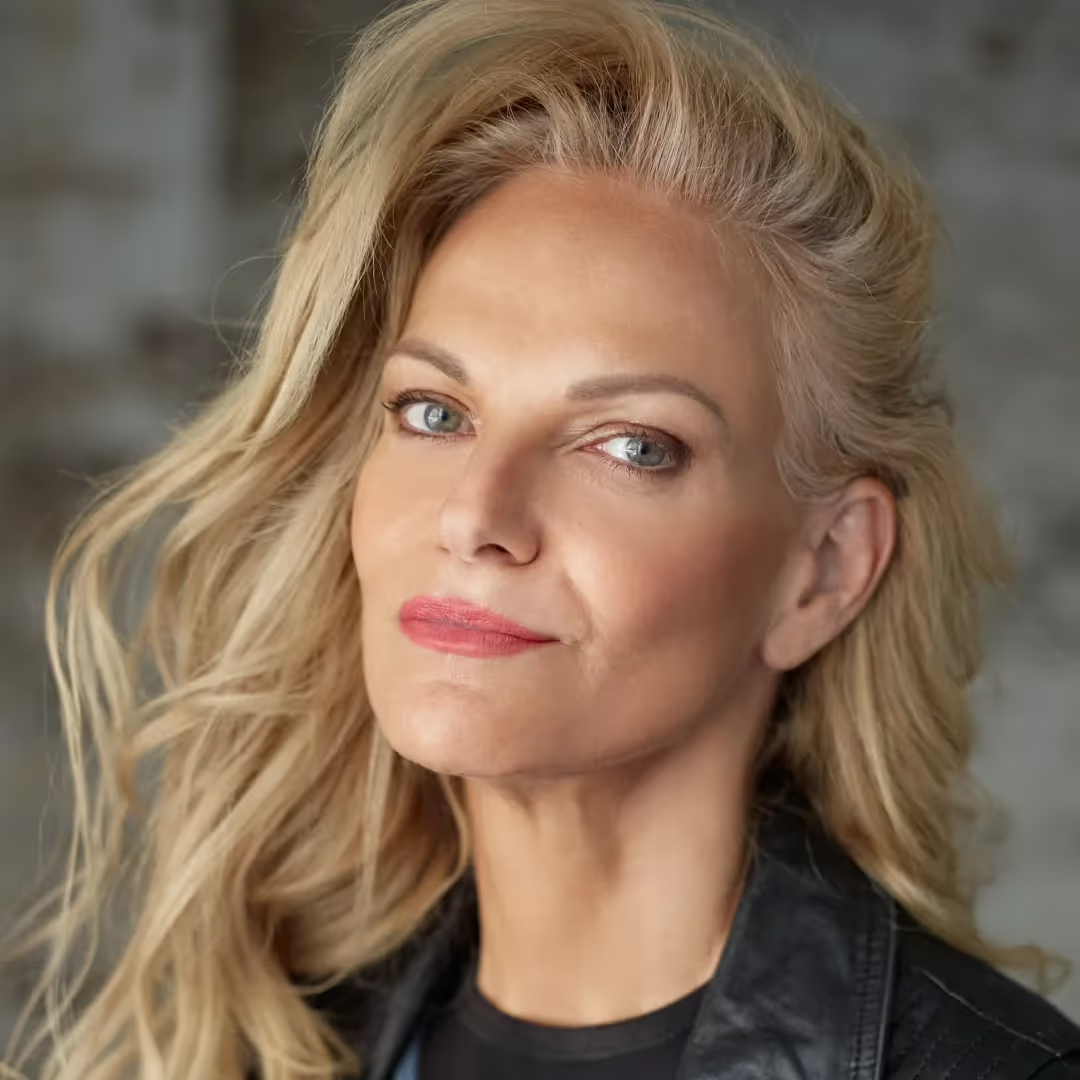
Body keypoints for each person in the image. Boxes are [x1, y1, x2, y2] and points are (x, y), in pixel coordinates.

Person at [3, 0, 1078, 1077]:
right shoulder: (262, 1042)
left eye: (631, 446)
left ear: (824, 569)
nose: (477, 514)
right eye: (434, 412)